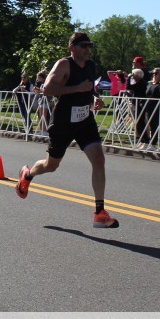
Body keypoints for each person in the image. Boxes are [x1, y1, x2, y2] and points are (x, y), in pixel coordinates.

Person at [14, 32, 119, 228]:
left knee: (99, 159)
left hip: (84, 120)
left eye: (89, 45)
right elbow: (47, 89)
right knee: (51, 165)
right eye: (83, 45)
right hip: (63, 122)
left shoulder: (90, 65)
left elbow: (89, 88)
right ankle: (27, 175)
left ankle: (100, 213)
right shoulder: (64, 65)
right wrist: (77, 88)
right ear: (72, 48)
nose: (87, 49)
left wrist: (95, 98)